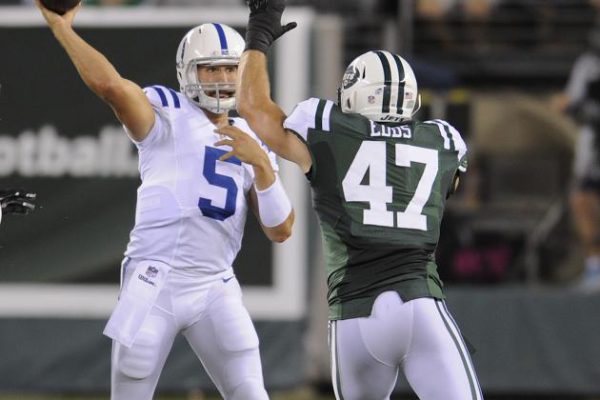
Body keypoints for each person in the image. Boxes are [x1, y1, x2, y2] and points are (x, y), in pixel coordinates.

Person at [36, 1, 295, 399]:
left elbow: (280, 230)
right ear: (187, 73)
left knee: (250, 392)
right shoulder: (167, 113)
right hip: (154, 280)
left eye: (231, 69)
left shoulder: (253, 135)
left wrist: (261, 164)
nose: (223, 78)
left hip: (215, 285)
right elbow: (111, 87)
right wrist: (63, 29)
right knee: (132, 387)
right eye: (211, 69)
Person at [226, 1, 484, 399]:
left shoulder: (326, 127)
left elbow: (253, 109)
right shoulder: (443, 140)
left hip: (353, 318)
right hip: (420, 307)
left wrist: (259, 32)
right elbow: (446, 185)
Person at [556, 16, 600, 291]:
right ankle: (595, 265)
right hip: (594, 141)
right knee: (583, 198)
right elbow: (568, 101)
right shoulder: (588, 64)